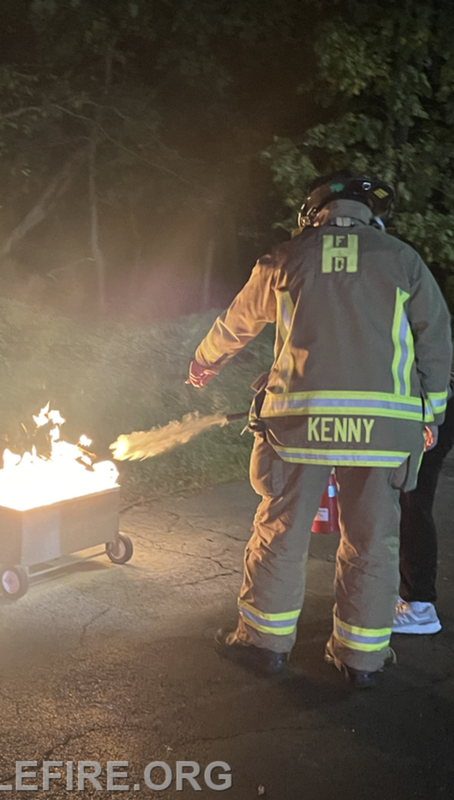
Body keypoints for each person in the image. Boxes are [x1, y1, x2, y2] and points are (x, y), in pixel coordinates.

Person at [187, 172, 452, 688]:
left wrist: (204, 362)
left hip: (298, 427)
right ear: (371, 216)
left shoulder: (287, 257)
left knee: (281, 533)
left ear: (315, 214)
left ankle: (263, 644)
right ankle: (363, 660)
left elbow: (237, 322)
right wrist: (431, 416)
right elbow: (436, 342)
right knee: (372, 541)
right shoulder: (402, 261)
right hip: (382, 433)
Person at [393, 380, 454, 634]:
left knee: (413, 500)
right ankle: (413, 598)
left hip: (432, 406)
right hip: (433, 404)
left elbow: (434, 353)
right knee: (411, 498)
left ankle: (419, 604)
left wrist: (432, 414)